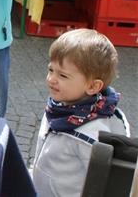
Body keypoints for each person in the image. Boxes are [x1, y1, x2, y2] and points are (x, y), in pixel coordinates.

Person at [32, 29, 129, 197]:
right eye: (51, 70)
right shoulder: (59, 108)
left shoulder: (92, 136)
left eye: (62, 75)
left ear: (92, 86)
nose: (51, 79)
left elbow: (105, 184)